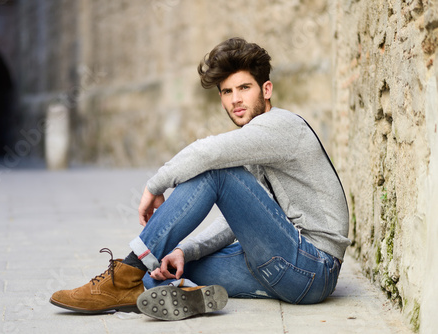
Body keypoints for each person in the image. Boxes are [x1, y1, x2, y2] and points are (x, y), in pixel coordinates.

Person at [50, 37, 350, 321]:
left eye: (244, 88)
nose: (236, 100)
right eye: (227, 92)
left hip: (312, 265)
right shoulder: (256, 142)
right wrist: (183, 250)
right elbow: (237, 221)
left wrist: (155, 185)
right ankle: (169, 288)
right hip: (284, 267)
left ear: (266, 89)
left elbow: (208, 153)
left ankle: (125, 273)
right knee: (166, 266)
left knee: (217, 171)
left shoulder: (282, 126)